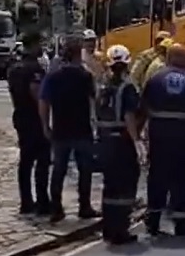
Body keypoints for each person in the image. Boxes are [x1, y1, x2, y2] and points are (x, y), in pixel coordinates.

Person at [140, 42, 185, 237]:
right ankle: (181, 222)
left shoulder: (156, 79)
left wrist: (142, 134)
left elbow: (143, 107)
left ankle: (154, 219)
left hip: (160, 137)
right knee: (184, 178)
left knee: (157, 177)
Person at [39, 35, 100, 222]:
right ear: (77, 54)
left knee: (59, 169)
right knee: (85, 169)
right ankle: (85, 206)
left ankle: (56, 208)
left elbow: (44, 102)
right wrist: (95, 124)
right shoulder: (86, 76)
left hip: (60, 128)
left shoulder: (53, 77)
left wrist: (45, 125)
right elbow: (94, 101)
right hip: (82, 128)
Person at [96, 44, 147, 245]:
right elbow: (128, 116)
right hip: (122, 141)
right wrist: (137, 141)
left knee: (109, 186)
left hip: (104, 139)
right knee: (125, 185)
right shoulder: (127, 87)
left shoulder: (103, 84)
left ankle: (108, 228)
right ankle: (121, 230)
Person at [8, 32, 51, 215]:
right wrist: (46, 122)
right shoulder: (34, 69)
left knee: (25, 161)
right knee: (42, 160)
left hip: (20, 115)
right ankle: (42, 201)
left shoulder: (14, 67)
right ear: (33, 45)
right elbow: (37, 94)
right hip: (34, 118)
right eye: (40, 44)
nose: (42, 48)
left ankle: (26, 201)